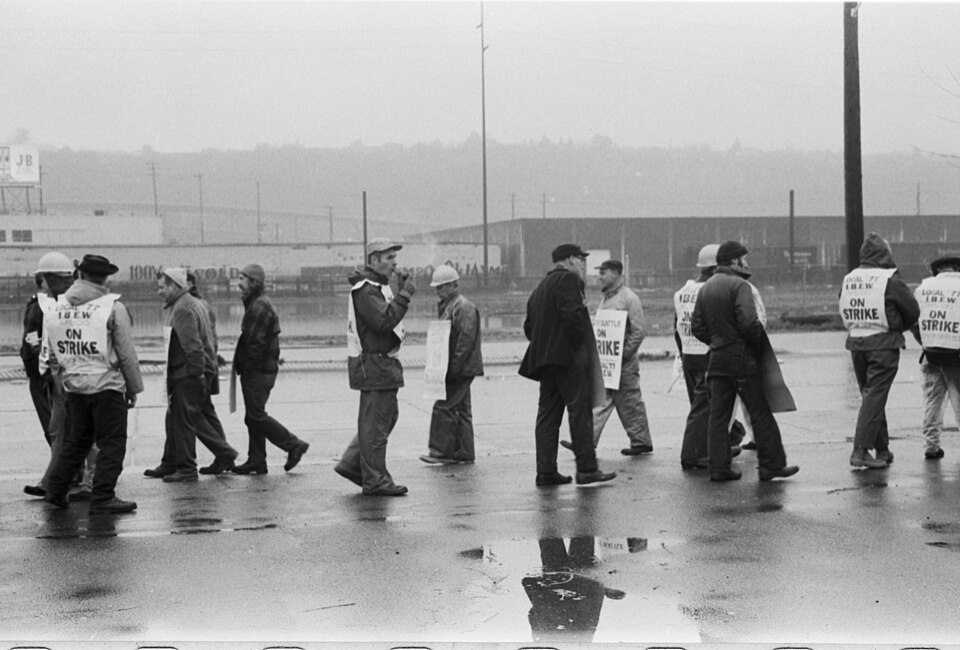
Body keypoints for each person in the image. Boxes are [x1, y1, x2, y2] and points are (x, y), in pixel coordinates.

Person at [42, 254, 143, 513]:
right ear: (105, 278)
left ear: (81, 275)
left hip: (75, 387)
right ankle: (102, 497)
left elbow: (53, 353)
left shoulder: (56, 307)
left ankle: (55, 490)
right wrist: (133, 388)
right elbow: (126, 354)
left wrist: (63, 382)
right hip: (107, 386)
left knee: (77, 441)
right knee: (112, 443)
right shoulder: (112, 307)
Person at [691, 240, 799, 482]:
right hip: (741, 359)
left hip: (717, 359)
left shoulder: (706, 288)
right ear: (733, 261)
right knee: (759, 411)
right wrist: (754, 346)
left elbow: (696, 327)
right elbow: (750, 323)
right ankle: (771, 465)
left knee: (718, 416)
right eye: (744, 259)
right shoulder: (741, 286)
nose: (747, 263)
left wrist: (718, 342)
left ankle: (719, 468)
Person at [518, 243, 617, 487]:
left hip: (545, 362)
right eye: (581, 260)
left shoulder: (540, 288)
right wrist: (576, 347)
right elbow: (573, 317)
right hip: (569, 360)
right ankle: (586, 469)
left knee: (548, 417)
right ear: (571, 259)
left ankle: (546, 472)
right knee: (579, 412)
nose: (583, 264)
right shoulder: (569, 281)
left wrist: (548, 343)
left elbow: (529, 327)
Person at [335, 239, 416, 496]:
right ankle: (375, 479)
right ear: (373, 260)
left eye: (394, 257)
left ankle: (355, 465)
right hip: (374, 364)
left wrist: (399, 291)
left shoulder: (376, 288)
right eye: (389, 257)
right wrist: (405, 295)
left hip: (379, 364)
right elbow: (383, 322)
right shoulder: (366, 290)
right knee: (377, 424)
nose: (394, 262)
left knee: (381, 419)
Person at [144, 268, 238, 482]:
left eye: (162, 287)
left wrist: (197, 375)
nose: (158, 292)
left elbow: (193, 346)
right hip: (195, 371)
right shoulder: (193, 303)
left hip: (188, 373)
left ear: (174, 286)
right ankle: (172, 463)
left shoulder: (182, 309)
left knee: (185, 421)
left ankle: (189, 467)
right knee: (183, 418)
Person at [840, 233, 920, 468]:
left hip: (857, 343)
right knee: (875, 396)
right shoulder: (889, 279)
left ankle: (882, 449)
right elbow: (912, 310)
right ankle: (860, 450)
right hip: (883, 345)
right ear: (884, 254)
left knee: (871, 396)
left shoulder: (850, 278)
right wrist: (898, 328)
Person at [23, 252, 99, 501]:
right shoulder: (47, 304)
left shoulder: (74, 303)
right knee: (60, 431)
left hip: (75, 378)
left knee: (82, 431)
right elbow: (37, 338)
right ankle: (53, 481)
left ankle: (89, 481)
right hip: (57, 378)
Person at [563, 259, 652, 455]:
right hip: (608, 364)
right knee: (601, 402)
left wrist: (625, 355)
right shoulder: (606, 299)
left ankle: (641, 441)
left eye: (603, 273)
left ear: (617, 274)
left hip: (624, 364)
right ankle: (586, 442)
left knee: (630, 401)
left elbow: (639, 331)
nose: (599, 277)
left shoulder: (629, 299)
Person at [231, 263, 310, 475]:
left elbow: (255, 344)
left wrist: (247, 368)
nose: (239, 283)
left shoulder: (258, 306)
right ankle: (256, 460)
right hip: (261, 370)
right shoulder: (257, 303)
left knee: (256, 415)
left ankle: (293, 445)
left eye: (242, 278)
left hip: (258, 372)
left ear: (253, 282)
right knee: (252, 415)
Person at [420, 265, 483, 465]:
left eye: (441, 287)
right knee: (462, 409)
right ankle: (464, 452)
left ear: (453, 285)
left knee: (443, 407)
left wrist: (453, 368)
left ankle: (440, 452)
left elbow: (465, 340)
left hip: (460, 367)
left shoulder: (462, 307)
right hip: (461, 366)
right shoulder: (453, 306)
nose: (437, 291)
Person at [910, 252, 960, 460]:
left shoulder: (922, 289)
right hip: (957, 355)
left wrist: (926, 341)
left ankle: (931, 446)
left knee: (933, 401)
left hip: (931, 353)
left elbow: (914, 322)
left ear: (938, 270)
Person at [21, 275, 53, 446]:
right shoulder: (49, 303)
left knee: (48, 418)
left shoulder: (38, 306)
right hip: (48, 368)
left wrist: (31, 366)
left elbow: (30, 338)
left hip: (40, 370)